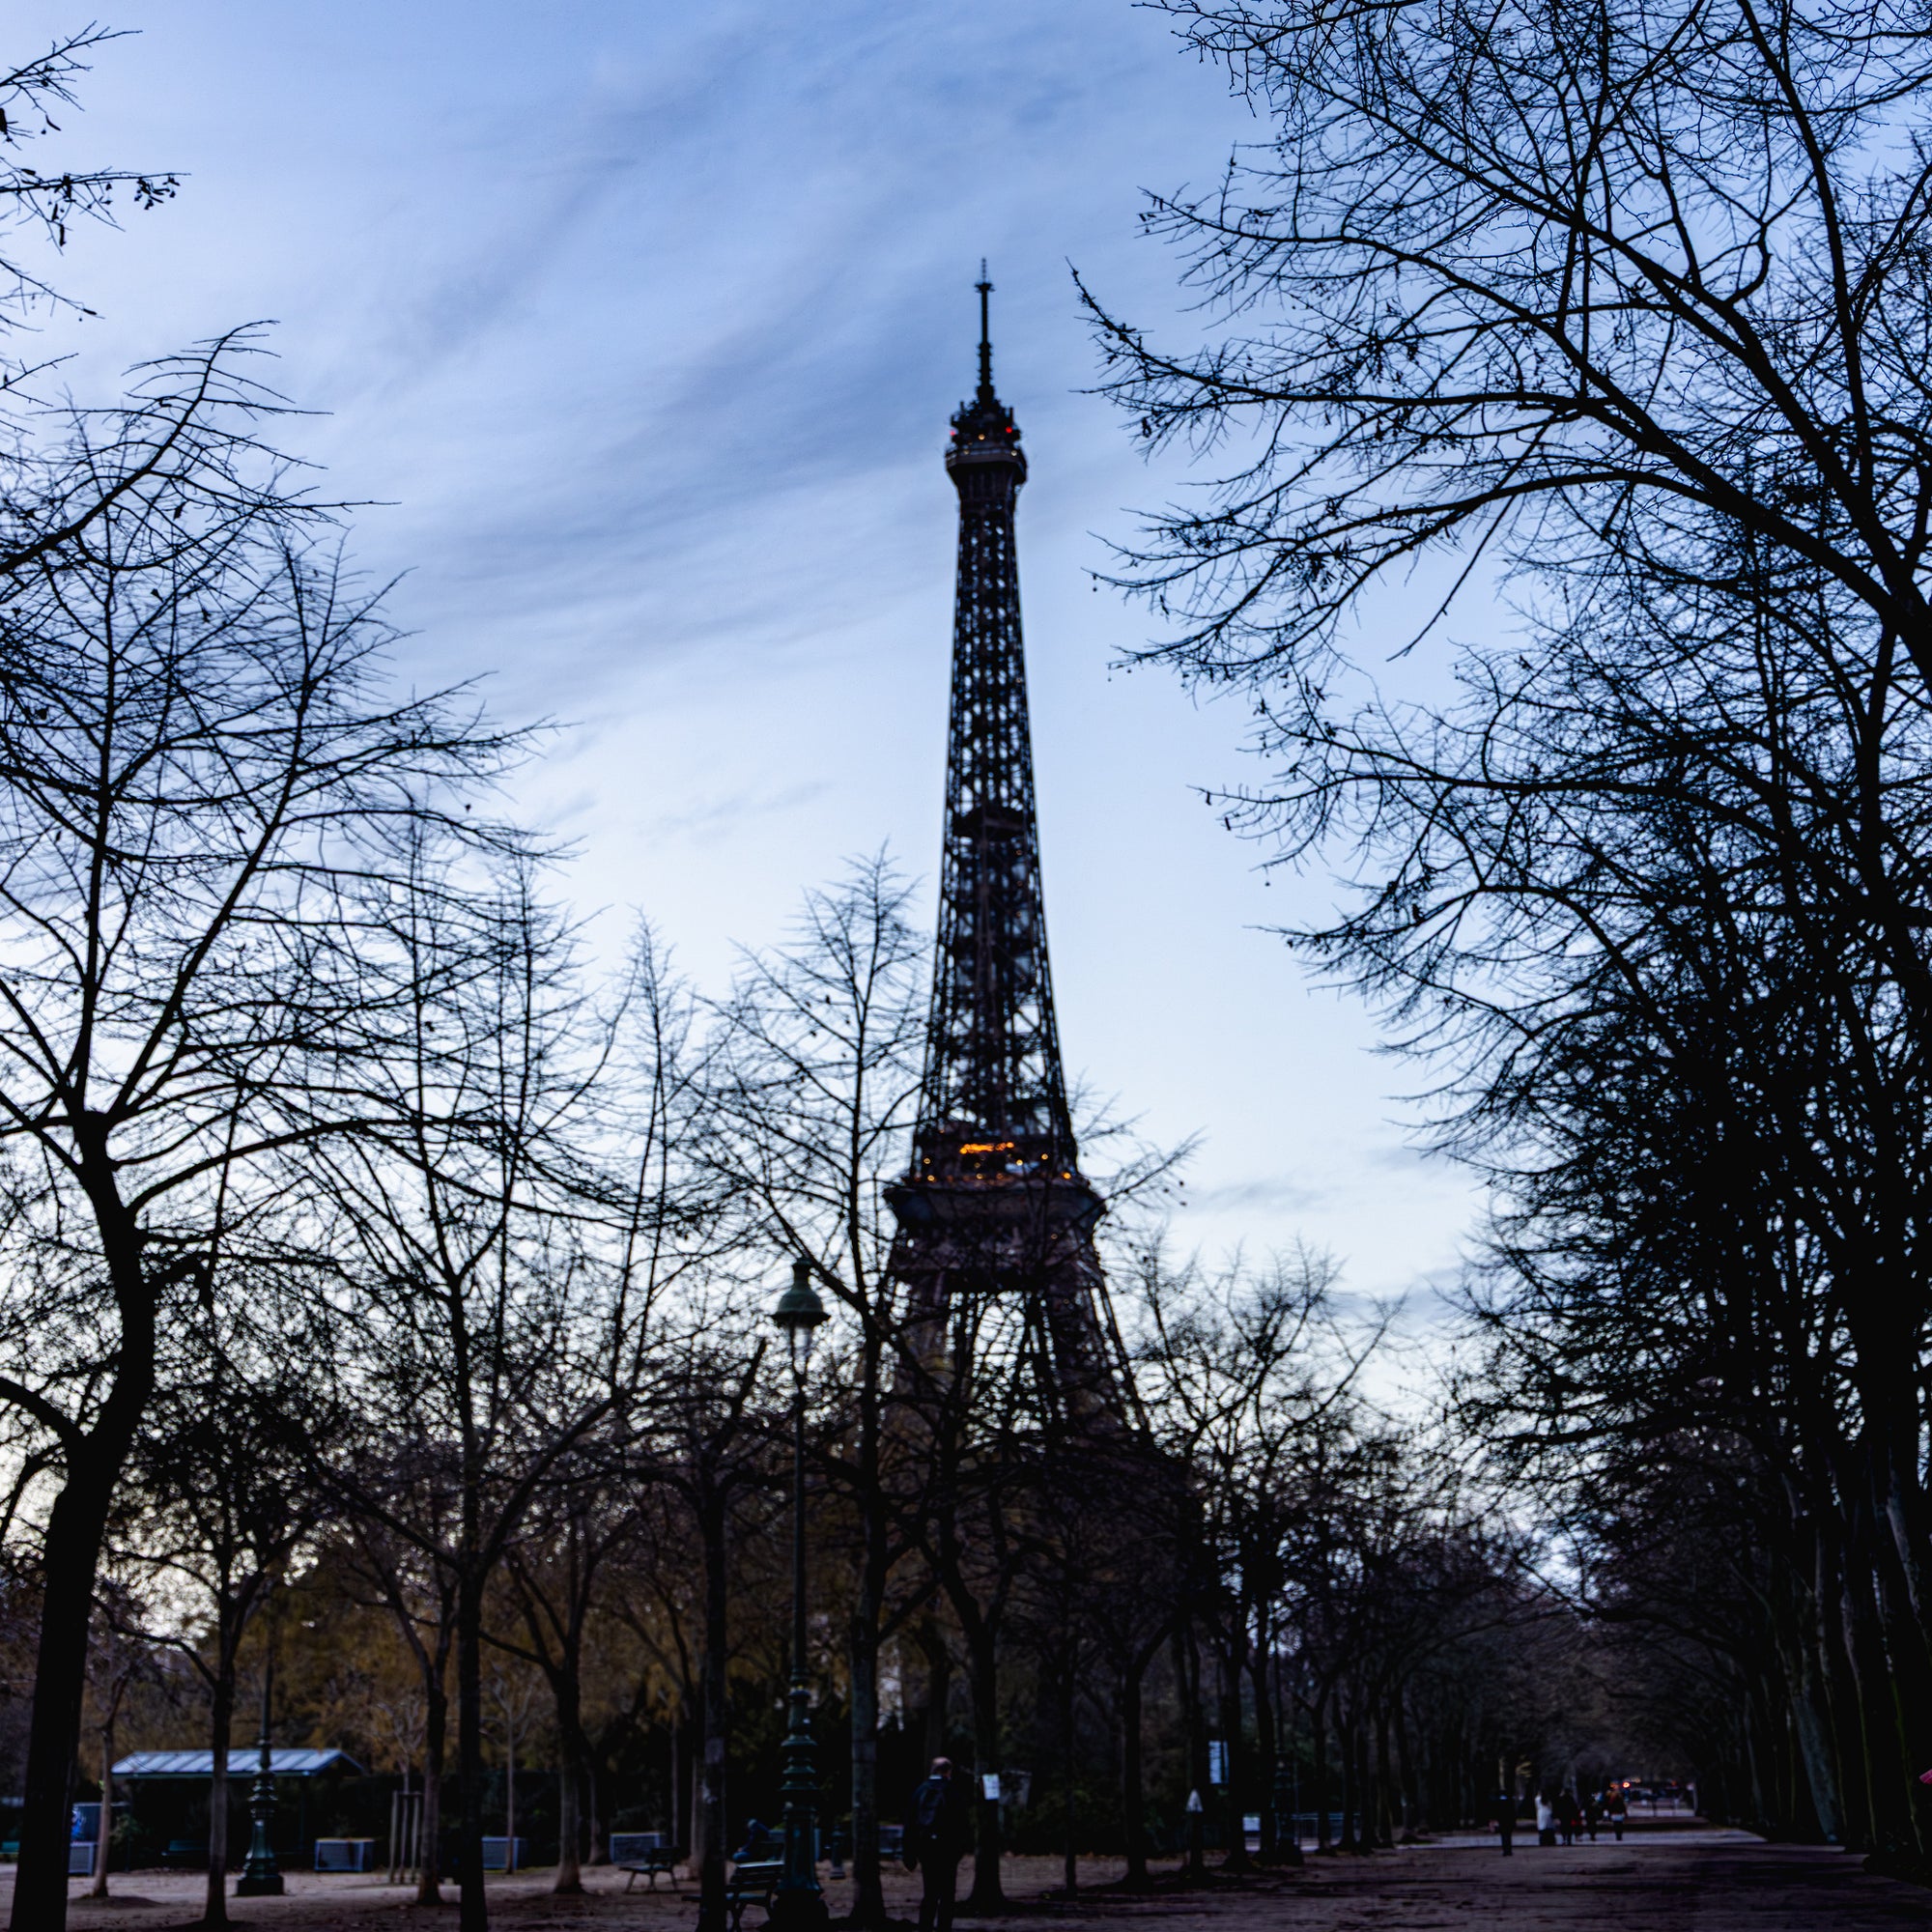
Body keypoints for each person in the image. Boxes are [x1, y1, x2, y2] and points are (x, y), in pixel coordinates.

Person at [905, 1756, 972, 1932]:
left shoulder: (920, 1791)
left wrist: (910, 1853)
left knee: (930, 1893)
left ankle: (925, 1926)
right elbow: (962, 1824)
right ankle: (944, 1927)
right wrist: (960, 1849)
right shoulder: (953, 1791)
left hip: (926, 1849)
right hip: (948, 1849)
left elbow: (910, 1823)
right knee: (947, 1894)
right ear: (948, 1772)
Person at [1492, 1789, 1515, 1857]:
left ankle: (1505, 1850)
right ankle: (1509, 1850)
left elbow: (1496, 1812)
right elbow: (1513, 1812)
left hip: (1502, 1821)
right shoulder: (1510, 1801)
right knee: (1509, 1836)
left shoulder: (1498, 1802)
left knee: (1503, 1835)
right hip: (1509, 1821)